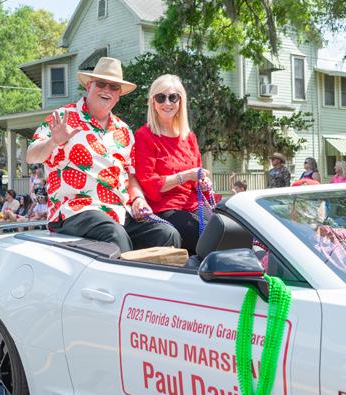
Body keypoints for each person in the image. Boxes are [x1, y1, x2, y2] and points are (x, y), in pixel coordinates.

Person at [26, 57, 180, 252]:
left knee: (167, 234)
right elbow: (31, 156)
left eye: (113, 87)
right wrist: (53, 141)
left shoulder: (124, 130)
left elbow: (130, 175)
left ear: (118, 95)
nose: (107, 90)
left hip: (119, 212)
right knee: (114, 235)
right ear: (89, 86)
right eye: (101, 84)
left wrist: (138, 199)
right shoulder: (64, 117)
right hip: (76, 209)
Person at [134, 74, 213, 255]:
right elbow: (149, 184)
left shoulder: (189, 136)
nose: (167, 103)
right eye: (160, 97)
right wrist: (185, 176)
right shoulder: (144, 135)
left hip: (194, 204)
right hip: (165, 208)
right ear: (153, 102)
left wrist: (202, 182)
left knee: (227, 230)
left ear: (180, 101)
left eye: (173, 97)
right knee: (206, 237)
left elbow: (196, 178)